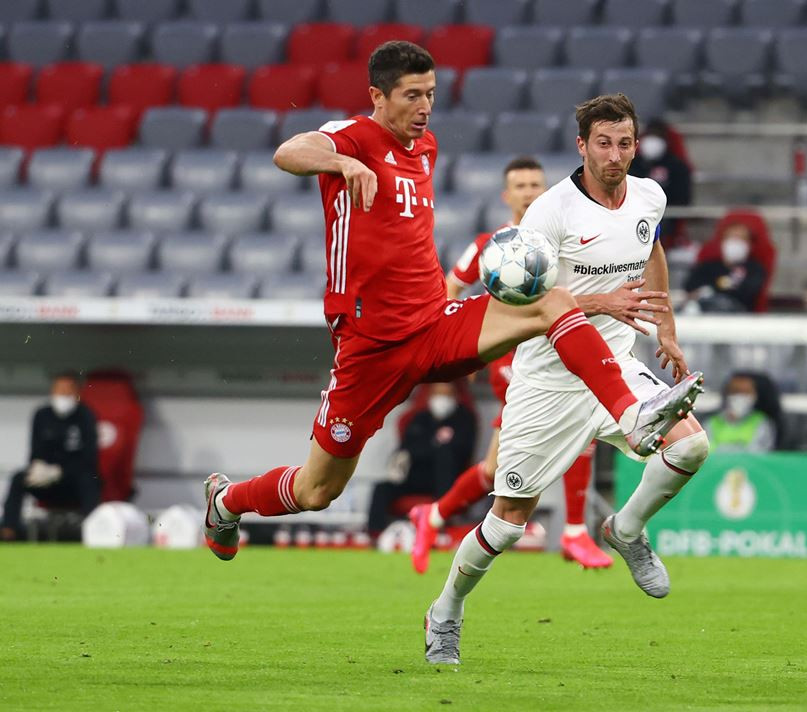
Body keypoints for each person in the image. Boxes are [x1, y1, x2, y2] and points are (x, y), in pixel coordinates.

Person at [201, 42, 703, 562]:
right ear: (377, 95)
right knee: (318, 491)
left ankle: (633, 412)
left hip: (434, 323)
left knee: (552, 300)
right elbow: (289, 152)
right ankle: (228, 501)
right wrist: (340, 164)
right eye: (412, 95)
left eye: (432, 95)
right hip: (371, 346)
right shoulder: (353, 138)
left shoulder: (426, 148)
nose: (425, 107)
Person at [424, 94, 709, 665]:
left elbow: (650, 250)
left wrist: (666, 330)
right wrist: (600, 298)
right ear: (581, 146)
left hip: (617, 361)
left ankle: (625, 530)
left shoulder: (650, 194)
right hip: (550, 377)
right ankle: (446, 610)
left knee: (693, 445)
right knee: (506, 524)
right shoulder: (549, 213)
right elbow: (525, 301)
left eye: (625, 142)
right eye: (603, 143)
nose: (615, 154)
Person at [409, 156, 613, 573]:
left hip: (551, 354)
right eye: (520, 186)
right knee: (578, 423)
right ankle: (575, 531)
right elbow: (451, 284)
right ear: (507, 195)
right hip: (513, 362)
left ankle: (430, 517)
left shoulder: (563, 239)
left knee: (492, 468)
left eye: (536, 184)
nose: (529, 192)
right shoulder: (493, 243)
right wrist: (456, 344)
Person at [368, 383, 476, 535]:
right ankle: (375, 535)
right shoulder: (419, 418)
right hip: (416, 476)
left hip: (446, 481)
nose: (442, 399)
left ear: (455, 397)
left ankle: (442, 527)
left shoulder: (464, 419)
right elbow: (407, 449)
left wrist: (431, 447)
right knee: (382, 488)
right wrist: (435, 446)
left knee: (444, 457)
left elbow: (463, 450)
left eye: (446, 395)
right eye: (438, 394)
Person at [2, 373, 100, 541]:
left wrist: (61, 471)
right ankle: (8, 530)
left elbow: (89, 457)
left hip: (74, 484)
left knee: (90, 480)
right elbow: (35, 451)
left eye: (67, 390)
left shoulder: (86, 416)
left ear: (77, 392)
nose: (62, 394)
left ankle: (94, 532)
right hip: (46, 483)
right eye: (59, 389)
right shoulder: (42, 415)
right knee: (18, 478)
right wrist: (39, 468)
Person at [629, 119, 692, 247]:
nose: (652, 141)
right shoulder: (631, 163)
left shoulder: (676, 166)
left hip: (665, 218)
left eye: (657, 136)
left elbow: (682, 198)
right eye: (650, 135)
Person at [684, 221, 766, 313]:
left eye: (741, 238)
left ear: (749, 244)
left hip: (739, 317)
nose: (735, 242)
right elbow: (690, 287)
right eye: (731, 237)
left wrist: (712, 290)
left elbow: (748, 293)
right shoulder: (707, 266)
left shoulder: (754, 269)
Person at [705, 373, 777, 453]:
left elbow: (759, 455)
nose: (739, 396)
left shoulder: (762, 423)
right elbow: (706, 451)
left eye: (746, 392)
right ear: (727, 394)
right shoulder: (712, 422)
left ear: (756, 395)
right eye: (735, 391)